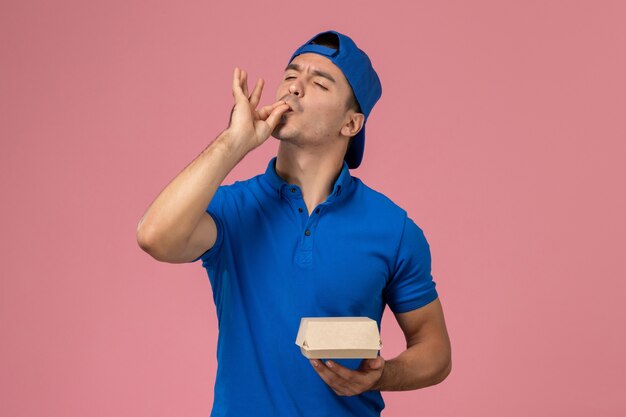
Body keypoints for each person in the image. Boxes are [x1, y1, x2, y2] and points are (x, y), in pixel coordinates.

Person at [137, 29, 451, 417]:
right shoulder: (234, 208)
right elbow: (154, 237)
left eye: (319, 83)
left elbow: (435, 350)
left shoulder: (394, 229)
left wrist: (383, 374)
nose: (295, 88)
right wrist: (233, 144)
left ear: (351, 124)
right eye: (290, 76)